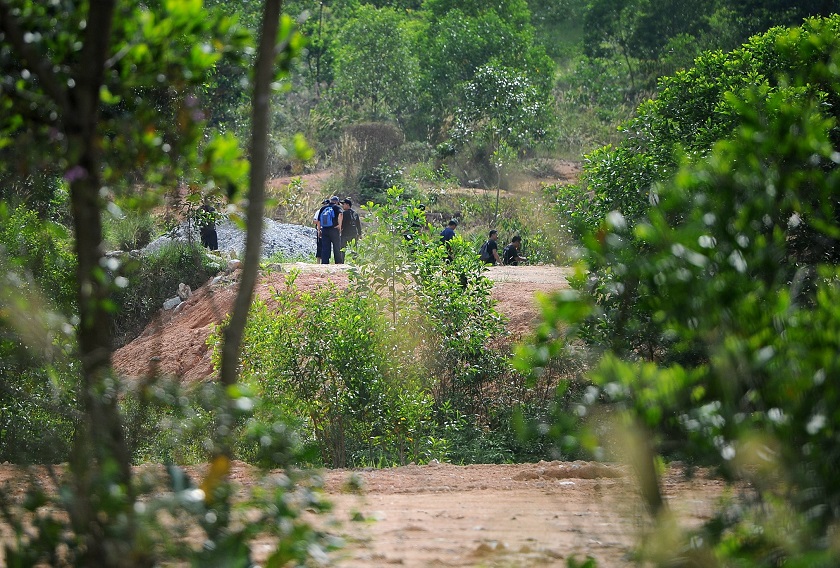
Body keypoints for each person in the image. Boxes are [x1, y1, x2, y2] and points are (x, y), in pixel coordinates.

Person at [318, 195, 343, 264]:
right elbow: (340, 214)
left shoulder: (323, 208)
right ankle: (338, 262)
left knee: (325, 247)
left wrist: (319, 230)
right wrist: (339, 226)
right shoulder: (336, 207)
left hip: (324, 229)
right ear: (337, 202)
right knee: (337, 246)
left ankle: (325, 262)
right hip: (334, 229)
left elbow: (319, 220)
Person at [339, 197, 362, 262]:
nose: (343, 206)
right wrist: (360, 233)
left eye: (344, 204)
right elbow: (358, 224)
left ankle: (341, 262)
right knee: (354, 248)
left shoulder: (344, 213)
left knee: (343, 248)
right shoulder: (355, 213)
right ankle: (355, 262)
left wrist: (340, 230)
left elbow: (342, 224)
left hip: (345, 233)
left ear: (347, 205)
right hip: (353, 233)